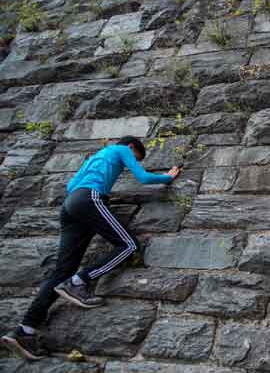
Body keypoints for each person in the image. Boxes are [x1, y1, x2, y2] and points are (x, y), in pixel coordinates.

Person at [1, 136, 181, 360]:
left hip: (70, 206)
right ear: (132, 147)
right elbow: (143, 177)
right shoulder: (121, 149)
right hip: (89, 198)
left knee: (62, 270)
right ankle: (78, 282)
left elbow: (70, 185)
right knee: (128, 244)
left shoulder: (96, 156)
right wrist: (167, 177)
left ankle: (23, 332)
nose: (128, 163)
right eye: (134, 158)